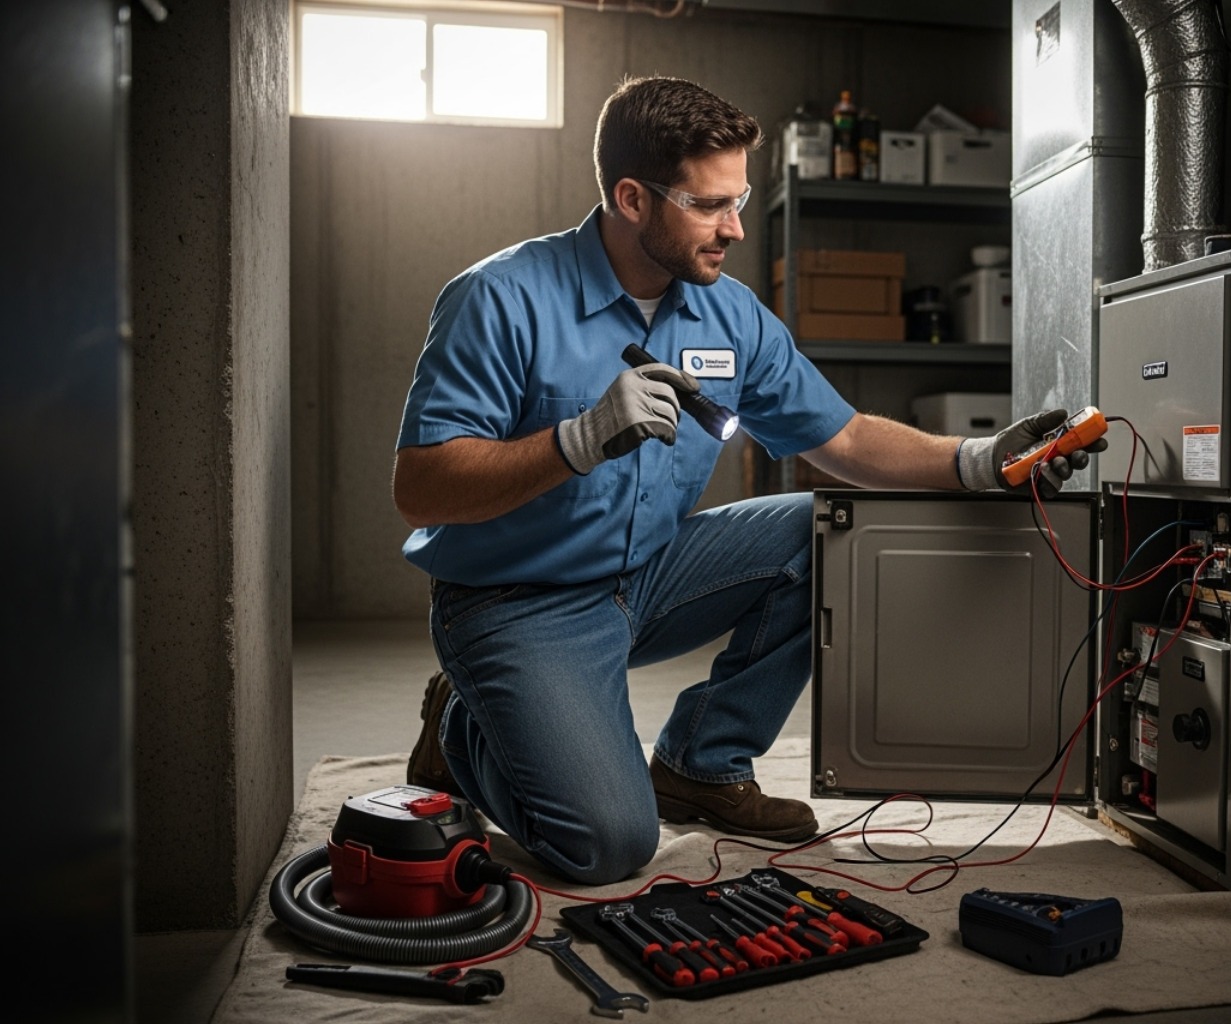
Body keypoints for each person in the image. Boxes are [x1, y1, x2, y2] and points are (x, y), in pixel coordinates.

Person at [392, 75, 1104, 886]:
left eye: (739, 201)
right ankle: (462, 724)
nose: (733, 227)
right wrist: (576, 440)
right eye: (708, 205)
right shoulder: (500, 297)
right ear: (631, 198)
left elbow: (845, 438)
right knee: (608, 845)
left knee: (825, 528)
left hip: (646, 575)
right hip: (517, 599)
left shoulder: (728, 314)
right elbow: (421, 489)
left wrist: (980, 460)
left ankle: (701, 763)